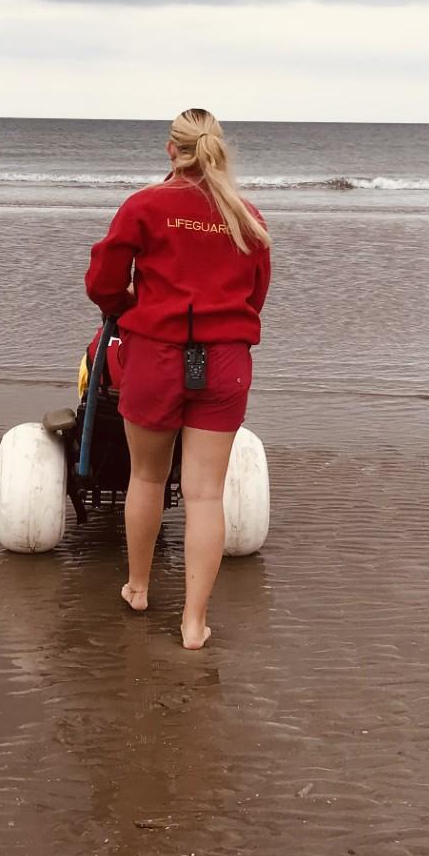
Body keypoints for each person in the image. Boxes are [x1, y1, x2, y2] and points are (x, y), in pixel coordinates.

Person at [85, 108, 272, 650]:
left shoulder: (145, 205)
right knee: (205, 495)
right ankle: (193, 623)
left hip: (156, 356)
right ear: (216, 149)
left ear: (171, 150)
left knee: (145, 478)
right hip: (226, 361)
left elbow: (102, 280)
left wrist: (124, 307)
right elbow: (255, 295)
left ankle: (139, 588)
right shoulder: (246, 214)